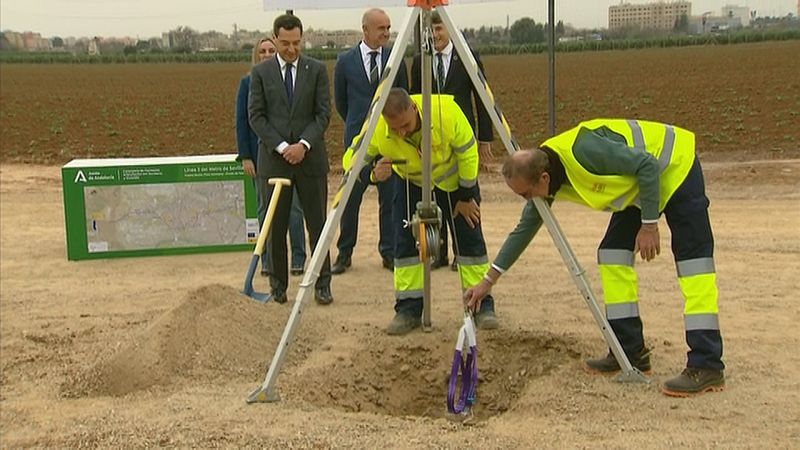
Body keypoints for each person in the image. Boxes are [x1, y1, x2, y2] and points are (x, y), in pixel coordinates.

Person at [464, 119, 726, 397]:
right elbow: (523, 231)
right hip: (641, 186)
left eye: (525, 194)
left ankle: (706, 363)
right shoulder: (544, 170)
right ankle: (628, 350)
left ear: (543, 179)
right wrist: (488, 282)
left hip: (674, 166)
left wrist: (649, 225)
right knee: (613, 253)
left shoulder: (584, 151)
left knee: (693, 264)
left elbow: (648, 165)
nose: (526, 200)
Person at [343, 88, 499, 335]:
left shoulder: (446, 112)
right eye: (394, 129)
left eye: (405, 125)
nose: (401, 132)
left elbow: (468, 152)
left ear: (414, 109)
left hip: (453, 181)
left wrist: (466, 196)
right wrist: (371, 173)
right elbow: (351, 158)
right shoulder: (378, 128)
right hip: (410, 182)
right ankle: (408, 308)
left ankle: (481, 304)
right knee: (405, 242)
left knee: (469, 238)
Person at [248, 14, 333, 305]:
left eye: (297, 43)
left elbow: (323, 114)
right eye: (285, 43)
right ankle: (278, 286)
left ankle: (322, 283)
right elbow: (256, 117)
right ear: (275, 38)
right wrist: (284, 147)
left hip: (311, 161)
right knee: (276, 227)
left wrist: (303, 145)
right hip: (275, 162)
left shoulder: (316, 70)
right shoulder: (261, 74)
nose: (292, 49)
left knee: (317, 225)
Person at [410, 11, 494, 272]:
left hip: (461, 139)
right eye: (431, 30)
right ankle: (438, 251)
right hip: (432, 141)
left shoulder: (467, 56)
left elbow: (482, 97)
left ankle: (463, 251)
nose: (435, 35)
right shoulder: (420, 60)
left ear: (449, 30)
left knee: (463, 194)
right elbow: (414, 101)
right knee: (433, 196)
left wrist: (485, 138)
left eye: (439, 29)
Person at [330, 8, 409, 275]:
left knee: (389, 198)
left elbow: (404, 95)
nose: (386, 33)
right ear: (365, 30)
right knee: (351, 198)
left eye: (388, 28)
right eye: (381, 28)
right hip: (358, 140)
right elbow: (341, 102)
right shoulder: (345, 61)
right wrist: (359, 126)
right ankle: (344, 253)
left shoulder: (395, 57)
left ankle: (389, 252)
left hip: (389, 138)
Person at [236, 37, 307, 277]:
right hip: (261, 158)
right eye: (262, 51)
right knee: (264, 211)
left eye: (270, 50)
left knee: (294, 210)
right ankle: (266, 260)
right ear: (256, 55)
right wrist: (246, 156)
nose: (266, 54)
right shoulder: (247, 82)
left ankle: (298, 257)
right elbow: (243, 121)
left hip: (290, 156)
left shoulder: (288, 79)